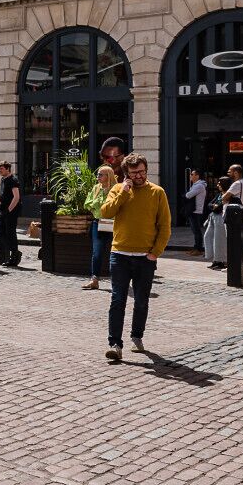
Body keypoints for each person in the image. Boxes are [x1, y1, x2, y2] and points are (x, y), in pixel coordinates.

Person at [100, 153, 170, 360]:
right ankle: (115, 344)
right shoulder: (117, 189)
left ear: (146, 170)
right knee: (117, 300)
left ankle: (137, 336)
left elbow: (164, 226)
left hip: (144, 257)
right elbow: (105, 212)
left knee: (141, 301)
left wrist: (155, 253)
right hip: (119, 254)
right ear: (126, 174)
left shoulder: (157, 192)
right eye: (133, 173)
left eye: (141, 171)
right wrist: (123, 192)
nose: (138, 176)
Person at [82, 166, 118, 289]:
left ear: (109, 176)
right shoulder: (96, 188)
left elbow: (116, 206)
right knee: (97, 252)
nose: (98, 177)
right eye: (98, 174)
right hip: (98, 223)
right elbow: (87, 203)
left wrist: (98, 205)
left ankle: (117, 279)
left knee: (115, 252)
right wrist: (96, 207)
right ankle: (94, 280)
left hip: (114, 223)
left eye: (101, 174)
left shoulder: (116, 188)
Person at [0, 161, 22, 267]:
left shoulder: (13, 180)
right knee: (0, 233)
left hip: (10, 211)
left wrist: (9, 210)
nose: (0, 171)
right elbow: (6, 195)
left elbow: (16, 197)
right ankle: (15, 252)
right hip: (4, 210)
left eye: (2, 169)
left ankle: (14, 256)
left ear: (8, 169)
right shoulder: (4, 180)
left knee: (10, 233)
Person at [204, 176, 231, 270]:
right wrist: (214, 206)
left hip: (220, 218)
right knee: (207, 237)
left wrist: (215, 206)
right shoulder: (219, 194)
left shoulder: (228, 195)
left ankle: (220, 261)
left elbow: (219, 208)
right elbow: (209, 204)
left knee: (219, 240)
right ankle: (214, 258)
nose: (217, 185)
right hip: (213, 217)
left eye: (219, 183)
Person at [183, 170, 207, 256]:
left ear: (197, 176)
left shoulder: (199, 186)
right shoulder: (195, 185)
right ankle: (196, 248)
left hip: (196, 211)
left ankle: (199, 249)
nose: (190, 175)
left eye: (192, 174)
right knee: (195, 231)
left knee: (197, 231)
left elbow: (188, 195)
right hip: (193, 210)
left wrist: (186, 194)